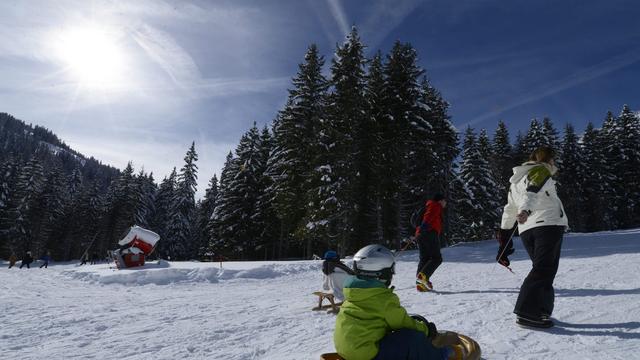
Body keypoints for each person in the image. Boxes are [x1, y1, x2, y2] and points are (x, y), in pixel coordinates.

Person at [334, 244, 463, 360]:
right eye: (391, 270)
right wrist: (427, 330)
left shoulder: (354, 293)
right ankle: (440, 355)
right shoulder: (383, 299)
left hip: (346, 350)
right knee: (412, 338)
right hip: (367, 354)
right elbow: (404, 323)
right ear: (382, 273)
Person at [498, 146, 568, 329]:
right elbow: (532, 190)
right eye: (553, 159)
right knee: (544, 269)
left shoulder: (516, 181)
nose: (554, 163)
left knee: (544, 270)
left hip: (527, 230)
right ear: (547, 159)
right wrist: (526, 210)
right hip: (546, 224)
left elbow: (509, 207)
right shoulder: (541, 170)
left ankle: (541, 310)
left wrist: (504, 232)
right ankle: (527, 314)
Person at [415, 193, 447, 291]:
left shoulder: (428, 205)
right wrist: (424, 227)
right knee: (437, 258)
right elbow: (428, 216)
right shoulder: (435, 205)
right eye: (445, 201)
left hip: (420, 234)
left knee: (425, 258)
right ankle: (422, 277)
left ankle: (420, 283)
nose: (446, 203)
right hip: (429, 233)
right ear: (440, 200)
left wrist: (421, 230)